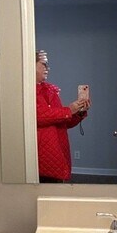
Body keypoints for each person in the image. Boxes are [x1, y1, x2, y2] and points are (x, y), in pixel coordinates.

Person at [35, 50, 89, 183]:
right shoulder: (26, 91)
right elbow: (38, 116)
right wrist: (69, 110)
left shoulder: (50, 90)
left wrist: (79, 112)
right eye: (44, 64)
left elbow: (62, 122)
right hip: (42, 151)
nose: (48, 68)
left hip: (58, 147)